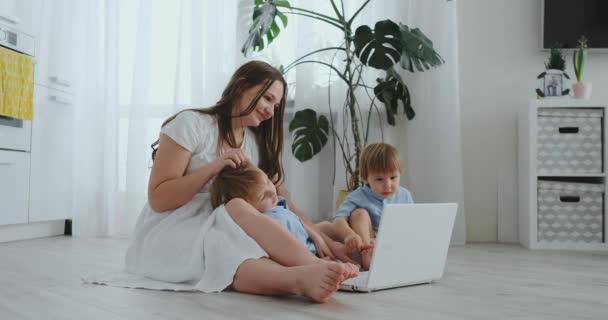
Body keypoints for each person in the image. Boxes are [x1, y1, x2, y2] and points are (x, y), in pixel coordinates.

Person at [125, 60, 357, 303]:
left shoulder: (254, 144)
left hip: (222, 221)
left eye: (276, 105)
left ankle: (309, 273)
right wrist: (213, 168)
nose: (271, 111)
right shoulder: (191, 124)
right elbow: (159, 199)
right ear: (241, 87)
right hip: (174, 225)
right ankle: (304, 274)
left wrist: (319, 236)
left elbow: (282, 201)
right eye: (267, 98)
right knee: (226, 234)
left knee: (237, 238)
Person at [331, 143, 414, 270]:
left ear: (400, 174)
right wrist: (349, 235)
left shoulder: (404, 195)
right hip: (365, 244)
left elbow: (412, 224)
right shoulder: (357, 196)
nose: (388, 185)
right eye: (379, 179)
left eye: (393, 178)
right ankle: (369, 257)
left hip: (394, 244)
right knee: (359, 213)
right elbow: (338, 220)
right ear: (365, 178)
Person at [209, 163, 318, 256]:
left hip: (308, 239)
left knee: (326, 227)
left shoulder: (276, 203)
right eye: (263, 196)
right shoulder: (271, 222)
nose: (271, 191)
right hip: (307, 253)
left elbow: (296, 221)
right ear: (248, 208)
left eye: (268, 182)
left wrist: (315, 237)